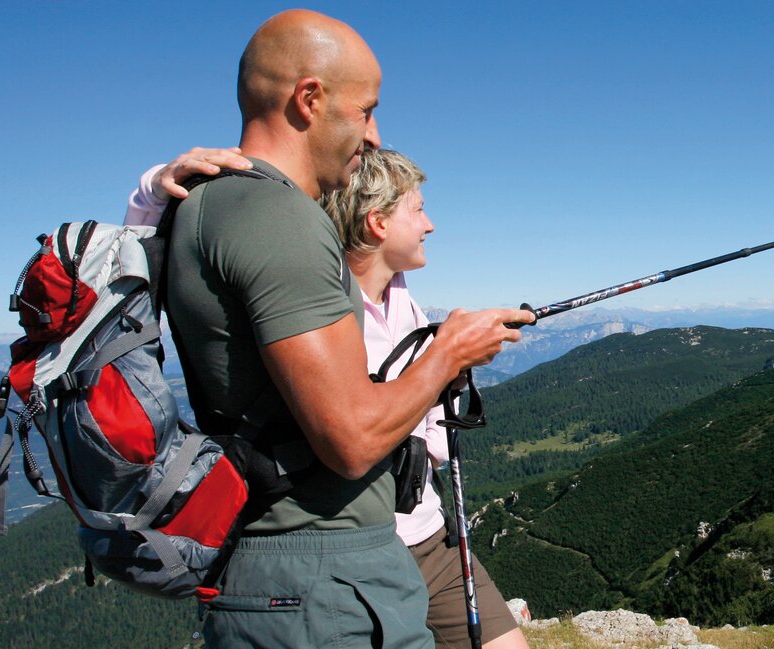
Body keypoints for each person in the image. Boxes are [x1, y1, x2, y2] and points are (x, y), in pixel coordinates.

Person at [151, 10, 532, 648]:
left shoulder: (201, 204)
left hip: (278, 567)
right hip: (321, 576)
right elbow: (351, 439)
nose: (374, 134)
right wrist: (446, 355)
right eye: (366, 110)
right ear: (308, 99)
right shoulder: (282, 219)